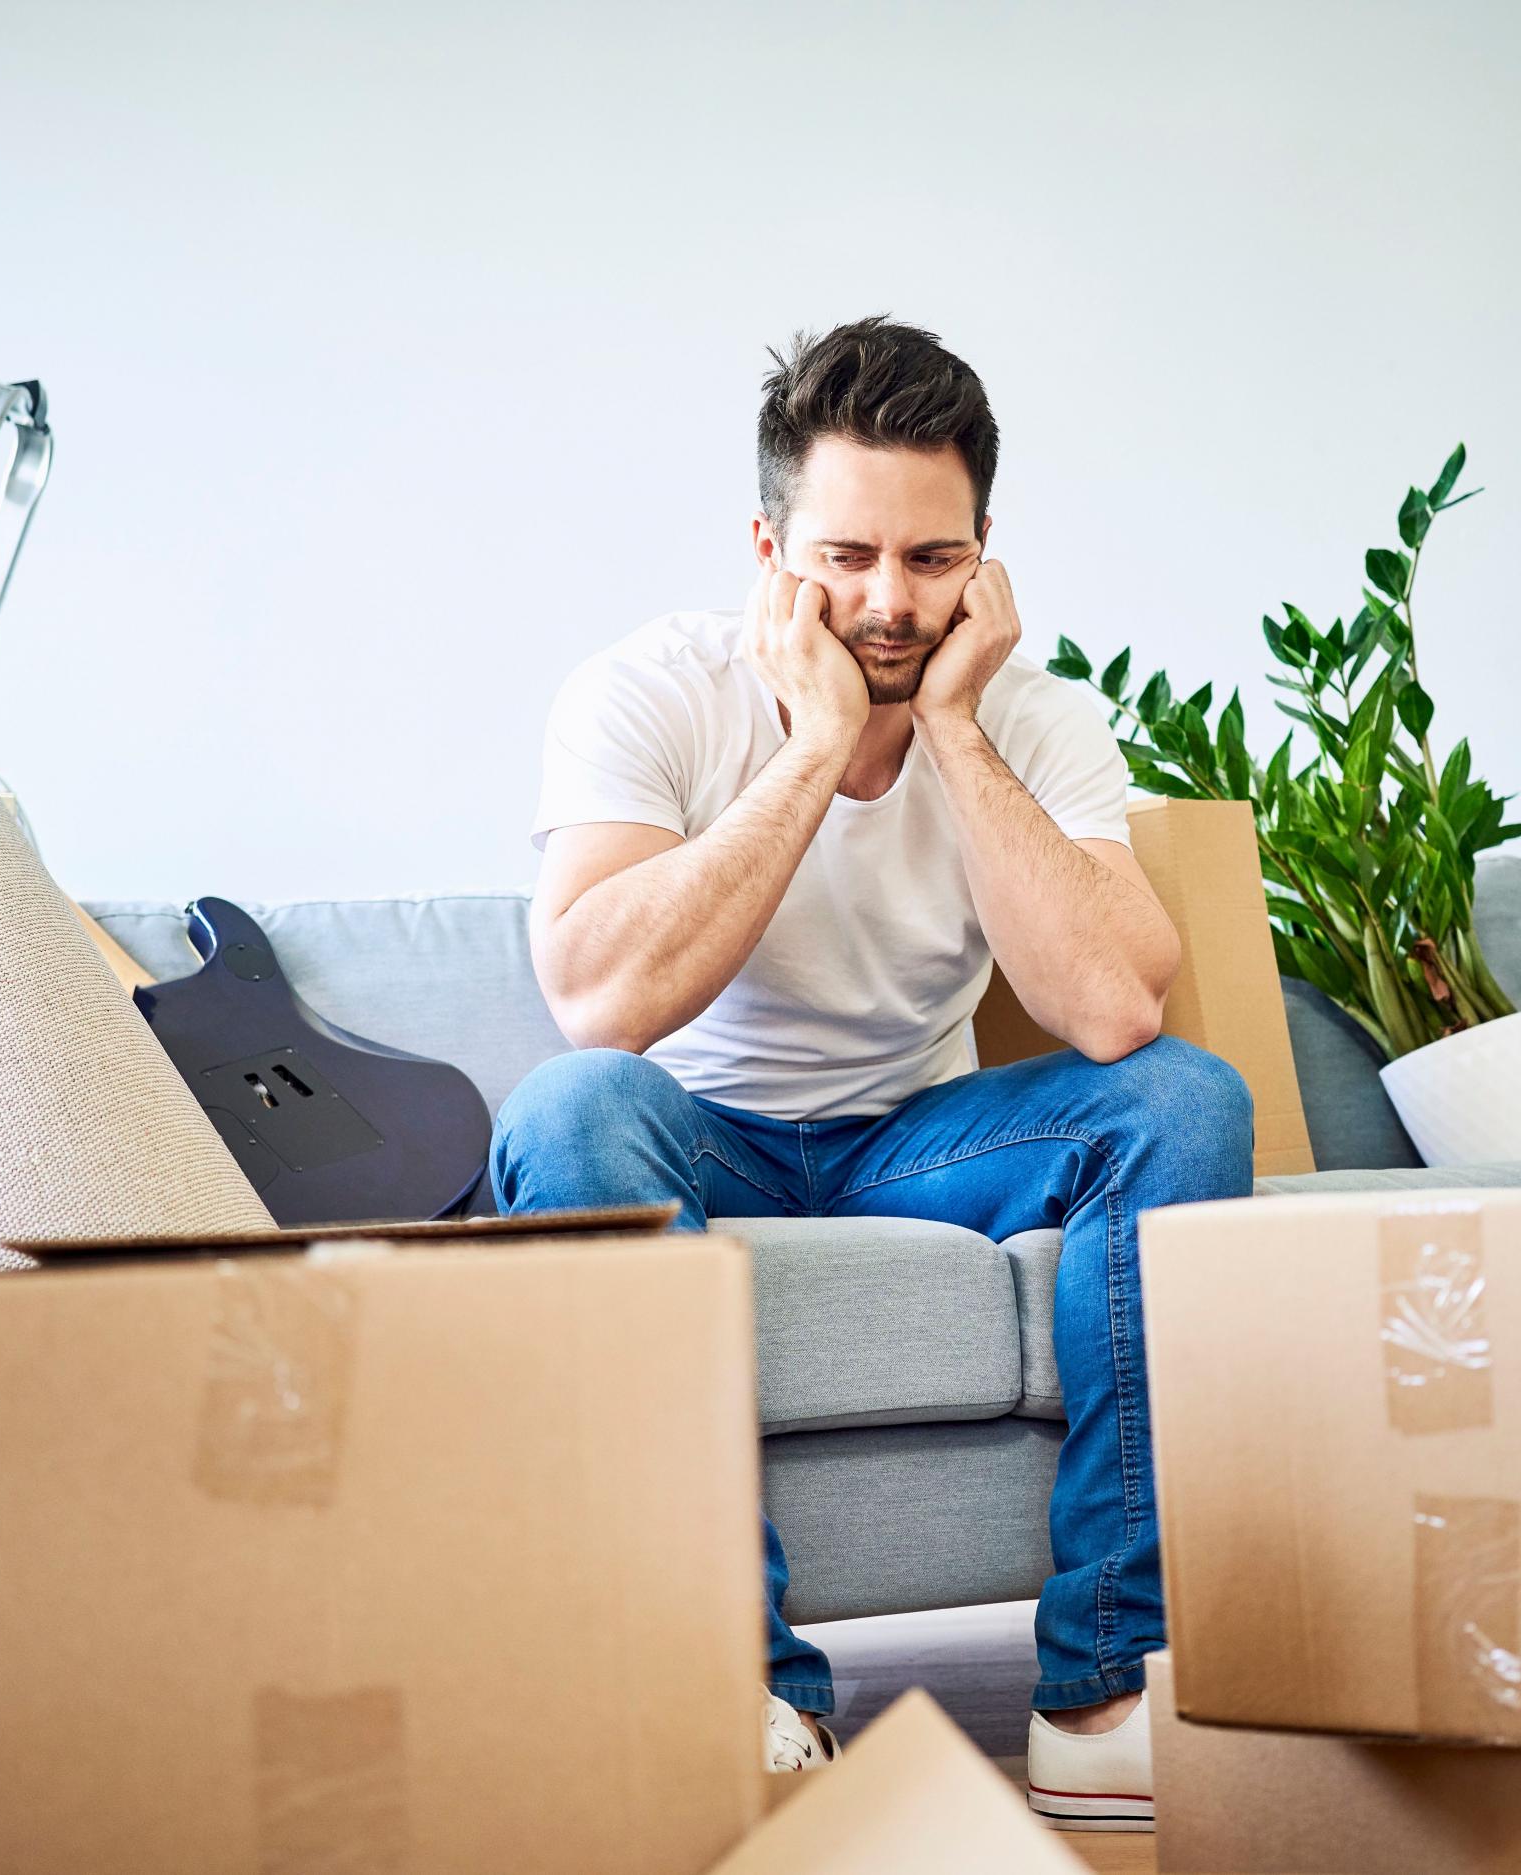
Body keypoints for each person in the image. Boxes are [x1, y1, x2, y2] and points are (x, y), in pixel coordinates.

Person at [493, 315, 1253, 1831]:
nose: (888, 602)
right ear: (767, 545)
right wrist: (812, 747)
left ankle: (1106, 1685)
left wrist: (955, 732)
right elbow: (601, 1002)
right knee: (567, 1112)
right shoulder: (647, 692)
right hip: (690, 1131)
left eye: (932, 559)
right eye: (846, 557)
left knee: (1186, 1098)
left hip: (915, 1136)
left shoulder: (1029, 715)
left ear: (985, 557)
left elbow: (1110, 1012)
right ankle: (751, 1692)